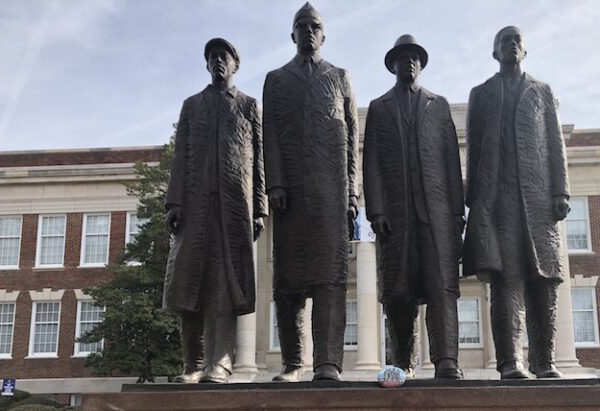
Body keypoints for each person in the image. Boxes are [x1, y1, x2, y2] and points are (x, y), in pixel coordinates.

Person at [462, 26, 570, 380]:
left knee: (545, 281)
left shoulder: (542, 91)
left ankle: (544, 360)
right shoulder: (482, 94)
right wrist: (474, 200)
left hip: (539, 201)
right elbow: (474, 150)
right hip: (499, 201)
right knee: (506, 282)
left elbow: (556, 143)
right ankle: (510, 361)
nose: (510, 46)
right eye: (503, 42)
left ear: (525, 50)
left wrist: (561, 192)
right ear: (494, 52)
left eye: (516, 41)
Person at [263, 3, 359, 381]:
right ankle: (292, 363)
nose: (308, 31)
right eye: (301, 26)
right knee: (287, 285)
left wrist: (352, 194)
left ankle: (327, 364)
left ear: (323, 34)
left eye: (314, 26)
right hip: (290, 197)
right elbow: (269, 134)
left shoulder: (339, 77)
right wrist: (275, 183)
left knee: (330, 281)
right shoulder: (276, 79)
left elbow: (352, 139)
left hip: (331, 195)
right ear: (293, 34)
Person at [163, 38, 266, 383]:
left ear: (236, 64)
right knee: (189, 284)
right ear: (206, 65)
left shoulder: (249, 106)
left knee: (224, 286)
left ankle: (219, 363)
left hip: (233, 209)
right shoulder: (192, 105)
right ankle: (191, 365)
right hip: (195, 207)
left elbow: (259, 160)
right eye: (212, 57)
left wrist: (260, 208)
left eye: (224, 56)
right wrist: (174, 201)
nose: (218, 61)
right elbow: (180, 156)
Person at [363, 35, 465, 379]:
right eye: (402, 57)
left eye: (414, 57)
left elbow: (451, 161)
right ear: (392, 64)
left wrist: (455, 213)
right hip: (395, 215)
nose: (408, 62)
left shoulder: (438, 105)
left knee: (442, 287)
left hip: (435, 215)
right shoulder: (379, 107)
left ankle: (446, 360)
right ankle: (402, 361)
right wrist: (376, 210)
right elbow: (372, 161)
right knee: (397, 292)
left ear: (421, 64)